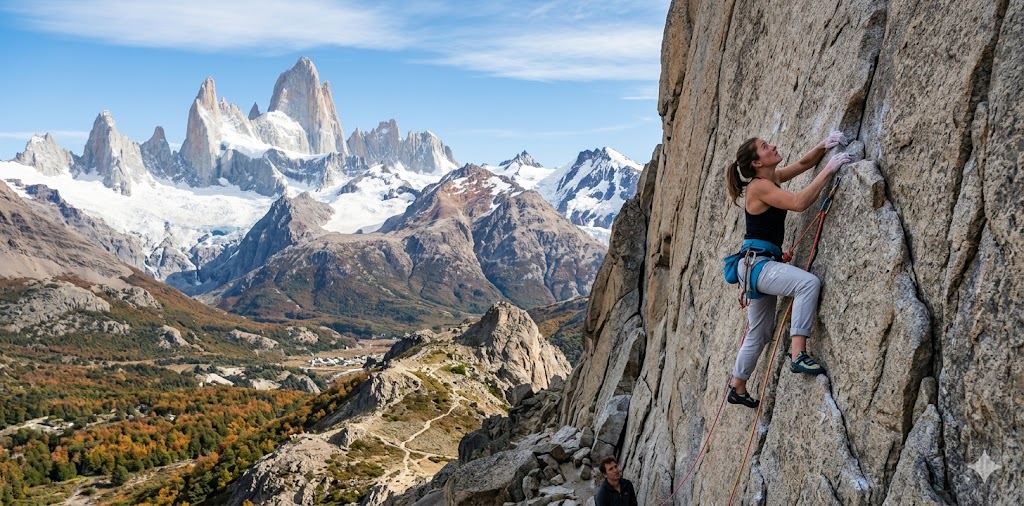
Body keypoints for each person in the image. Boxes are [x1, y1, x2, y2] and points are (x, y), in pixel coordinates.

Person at [724, 132, 851, 408]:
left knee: (759, 331)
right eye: (765, 147)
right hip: (758, 265)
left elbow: (804, 164)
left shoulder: (772, 178)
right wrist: (830, 169)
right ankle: (798, 355)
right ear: (757, 163)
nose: (773, 146)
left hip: (755, 264)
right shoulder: (758, 187)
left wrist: (823, 145)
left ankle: (737, 385)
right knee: (807, 284)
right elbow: (798, 203)